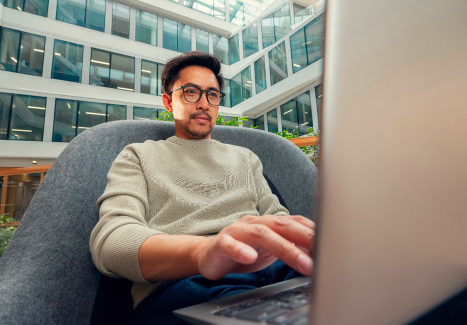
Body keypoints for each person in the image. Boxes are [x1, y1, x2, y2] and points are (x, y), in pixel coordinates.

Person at [89, 51, 314, 325]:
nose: (204, 104)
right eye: (191, 92)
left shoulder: (246, 158)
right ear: (168, 101)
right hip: (187, 282)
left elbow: (278, 219)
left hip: (274, 268)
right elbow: (112, 241)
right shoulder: (138, 155)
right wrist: (203, 252)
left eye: (212, 95)